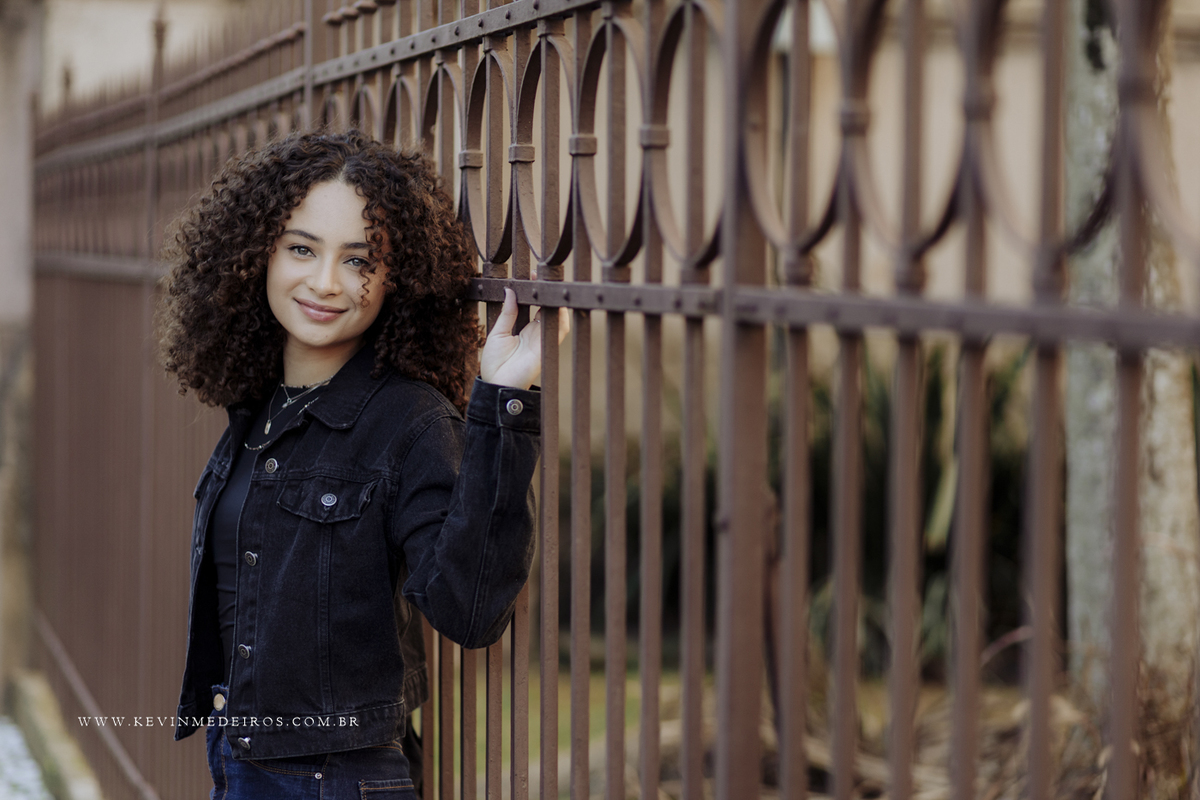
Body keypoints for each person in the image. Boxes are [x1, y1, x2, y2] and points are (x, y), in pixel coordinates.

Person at [158, 129, 567, 799]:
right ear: (254, 254)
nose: (325, 282)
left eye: (359, 260)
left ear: (395, 276)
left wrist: (503, 401)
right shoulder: (261, 407)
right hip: (239, 751)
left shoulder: (409, 421)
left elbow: (468, 611)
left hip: (335, 776)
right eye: (301, 249)